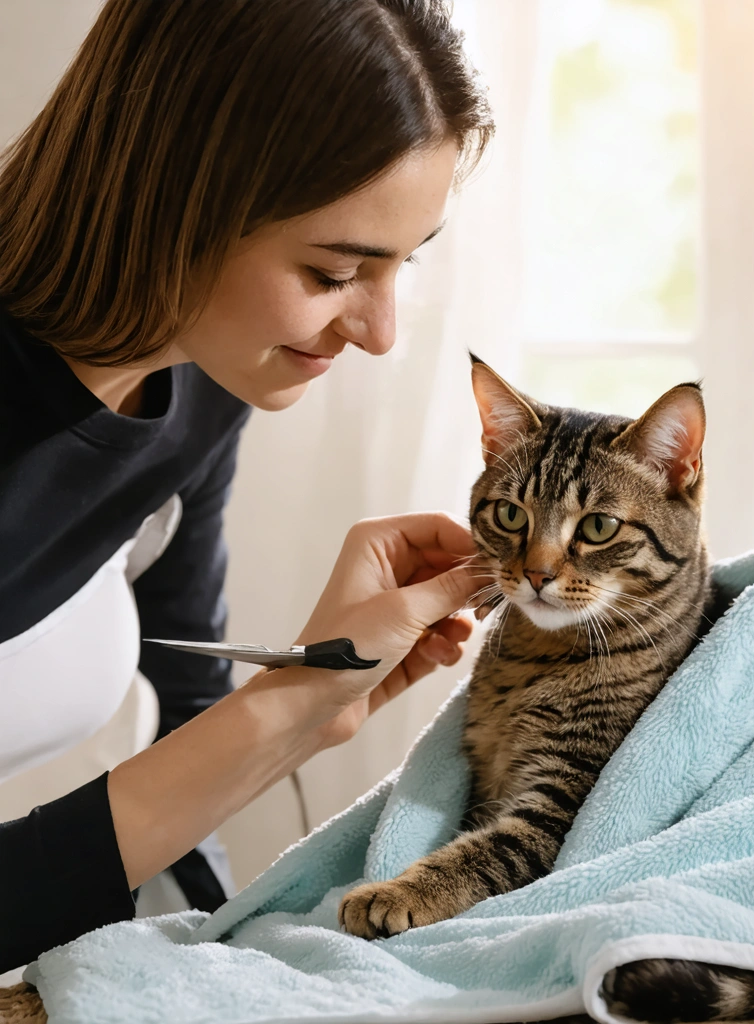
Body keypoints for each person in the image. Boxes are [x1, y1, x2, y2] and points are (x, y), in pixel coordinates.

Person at [0, 0, 494, 973]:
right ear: (167, 198)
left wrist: (221, 957)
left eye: (405, 262)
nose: (380, 331)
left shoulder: (201, 381)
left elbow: (188, 701)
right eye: (332, 271)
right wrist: (288, 709)